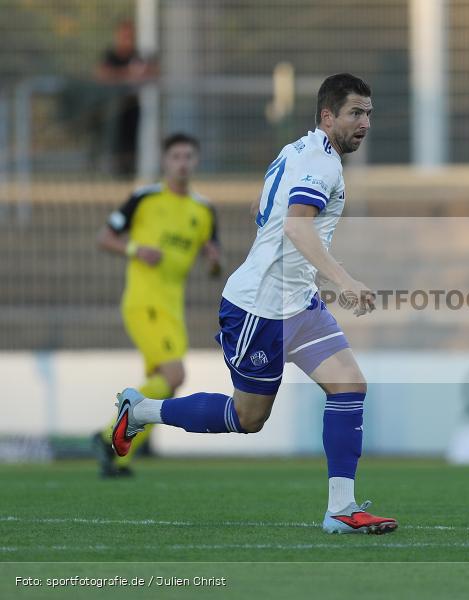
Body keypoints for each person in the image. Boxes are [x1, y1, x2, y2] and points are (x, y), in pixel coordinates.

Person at [107, 73, 398, 535]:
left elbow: (259, 210)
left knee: (348, 385)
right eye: (355, 113)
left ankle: (341, 509)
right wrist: (344, 280)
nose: (364, 123)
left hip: (298, 304)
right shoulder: (322, 165)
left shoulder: (295, 151)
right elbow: (296, 227)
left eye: (368, 114)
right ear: (328, 116)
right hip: (258, 310)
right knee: (249, 418)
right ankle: (141, 410)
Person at [93, 132, 221, 477]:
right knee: (174, 374)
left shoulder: (204, 210)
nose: (182, 162)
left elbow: (213, 265)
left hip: (172, 308)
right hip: (143, 301)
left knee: (165, 381)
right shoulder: (144, 197)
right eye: (176, 156)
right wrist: (135, 250)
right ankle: (107, 437)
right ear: (165, 162)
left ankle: (118, 458)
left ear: (196, 162)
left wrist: (213, 262)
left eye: (188, 156)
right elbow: (104, 238)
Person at [94, 19, 158, 177]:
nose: (127, 39)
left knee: (131, 143)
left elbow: (151, 73)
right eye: (124, 35)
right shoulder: (111, 55)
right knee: (114, 142)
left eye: (130, 35)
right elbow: (102, 74)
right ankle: (112, 170)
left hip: (132, 105)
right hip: (113, 108)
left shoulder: (138, 56)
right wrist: (128, 74)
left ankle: (129, 171)